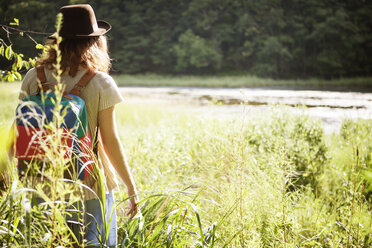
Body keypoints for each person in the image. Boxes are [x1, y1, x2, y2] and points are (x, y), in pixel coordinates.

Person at [18, 4, 138, 247]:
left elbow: (21, 130)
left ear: (58, 41)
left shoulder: (34, 76)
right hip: (89, 181)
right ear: (94, 42)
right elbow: (109, 140)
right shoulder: (100, 82)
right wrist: (131, 187)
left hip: (40, 181)